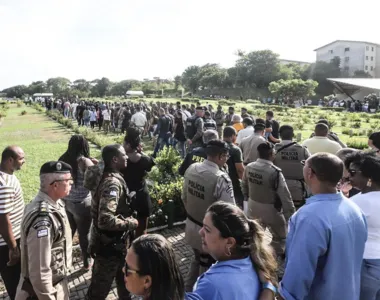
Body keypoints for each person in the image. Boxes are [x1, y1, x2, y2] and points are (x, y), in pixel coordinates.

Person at [279, 153, 368, 300]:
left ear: (309, 173)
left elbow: (299, 271)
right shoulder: (354, 209)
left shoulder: (309, 217)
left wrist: (285, 296)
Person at [192, 201, 278, 300]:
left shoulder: (211, 285)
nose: (200, 232)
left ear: (229, 242)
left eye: (207, 230)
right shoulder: (254, 262)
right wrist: (269, 287)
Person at [182, 140, 235, 291]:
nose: (226, 159)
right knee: (207, 270)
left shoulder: (192, 168)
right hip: (209, 234)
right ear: (220, 156)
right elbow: (230, 211)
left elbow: (184, 197)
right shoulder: (220, 177)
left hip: (191, 227)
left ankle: (186, 291)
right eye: (226, 156)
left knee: (197, 260)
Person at [87, 145, 138, 300]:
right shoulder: (112, 184)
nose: (127, 157)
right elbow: (105, 220)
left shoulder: (110, 177)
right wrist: (130, 223)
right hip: (109, 249)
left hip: (118, 246)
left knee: (125, 285)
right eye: (124, 155)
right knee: (97, 292)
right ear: (115, 159)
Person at [16, 161, 73, 300]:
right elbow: (40, 273)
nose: (72, 183)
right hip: (42, 293)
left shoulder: (55, 203)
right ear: (55, 185)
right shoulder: (42, 220)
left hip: (57, 285)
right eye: (68, 180)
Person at [242, 142, 295, 260]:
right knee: (281, 237)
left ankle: (255, 255)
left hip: (252, 204)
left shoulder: (249, 166)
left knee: (255, 234)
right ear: (272, 154)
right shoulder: (275, 172)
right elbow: (285, 196)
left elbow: (244, 184)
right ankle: (271, 258)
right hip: (271, 209)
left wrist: (246, 198)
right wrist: (291, 216)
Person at [345, 151, 380, 300]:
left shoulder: (360, 202)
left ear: (369, 176)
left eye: (353, 173)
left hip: (365, 262)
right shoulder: (360, 199)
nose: (349, 177)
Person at [59, 135, 95, 270]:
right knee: (84, 235)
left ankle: (63, 262)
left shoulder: (63, 159)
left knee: (68, 233)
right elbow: (94, 181)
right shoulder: (85, 162)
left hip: (67, 202)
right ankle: (86, 262)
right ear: (84, 146)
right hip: (82, 204)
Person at [0, 146, 25, 300]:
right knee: (15, 282)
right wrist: (13, 248)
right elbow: (3, 219)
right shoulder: (4, 185)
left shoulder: (6, 175)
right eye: (21, 159)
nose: (24, 162)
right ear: (10, 160)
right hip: (8, 243)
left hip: (9, 241)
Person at [122, 128, 155, 238]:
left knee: (125, 229)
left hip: (126, 195)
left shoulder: (122, 160)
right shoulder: (144, 160)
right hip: (141, 195)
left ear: (127, 144)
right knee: (142, 229)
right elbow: (151, 163)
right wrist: (140, 151)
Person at [274, 126, 311, 209]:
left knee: (280, 210)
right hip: (298, 187)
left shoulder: (274, 149)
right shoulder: (303, 150)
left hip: (278, 185)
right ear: (293, 135)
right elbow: (311, 165)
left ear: (279, 135)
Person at [223, 126, 245, 209]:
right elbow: (240, 170)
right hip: (232, 181)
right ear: (232, 136)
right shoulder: (235, 149)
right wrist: (244, 182)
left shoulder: (218, 146)